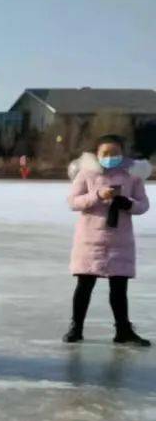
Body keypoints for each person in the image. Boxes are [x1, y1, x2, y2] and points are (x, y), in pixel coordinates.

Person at [64, 134, 151, 346]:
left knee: (119, 288)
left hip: (119, 241)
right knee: (84, 285)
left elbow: (143, 205)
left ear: (122, 153)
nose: (110, 157)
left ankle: (123, 331)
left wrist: (127, 203)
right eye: (105, 153)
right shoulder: (86, 173)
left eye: (115, 153)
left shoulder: (133, 176)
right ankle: (76, 328)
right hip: (90, 240)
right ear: (97, 154)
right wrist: (97, 196)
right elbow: (73, 202)